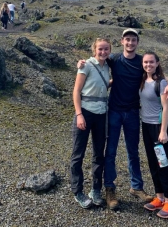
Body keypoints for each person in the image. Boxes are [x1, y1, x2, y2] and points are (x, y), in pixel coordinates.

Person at [77, 28, 168, 211]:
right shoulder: (114, 59)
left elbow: (157, 72)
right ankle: (110, 189)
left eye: (133, 40)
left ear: (137, 43)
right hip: (113, 111)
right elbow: (97, 61)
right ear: (122, 41)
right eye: (127, 40)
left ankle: (136, 186)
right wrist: (82, 62)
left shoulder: (141, 62)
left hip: (133, 112)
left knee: (133, 151)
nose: (130, 43)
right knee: (111, 151)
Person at [71, 38, 111, 209]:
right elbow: (77, 91)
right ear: (95, 49)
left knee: (98, 154)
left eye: (106, 49)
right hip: (85, 113)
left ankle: (95, 190)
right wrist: (79, 115)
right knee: (78, 154)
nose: (103, 52)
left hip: (102, 114)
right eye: (100, 49)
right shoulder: (86, 65)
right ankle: (77, 191)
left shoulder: (109, 66)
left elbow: (105, 84)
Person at [139, 51, 168, 219]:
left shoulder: (161, 83)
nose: (148, 65)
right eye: (145, 62)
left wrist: (163, 131)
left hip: (159, 129)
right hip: (146, 126)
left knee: (163, 163)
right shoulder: (143, 80)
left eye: (151, 62)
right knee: (153, 163)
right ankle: (159, 197)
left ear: (157, 63)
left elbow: (166, 108)